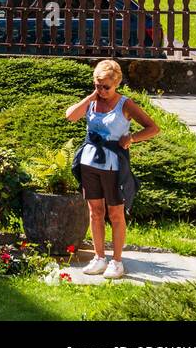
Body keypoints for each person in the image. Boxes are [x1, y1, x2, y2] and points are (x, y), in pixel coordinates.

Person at [64, 59, 159, 279]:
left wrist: (132, 138)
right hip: (89, 162)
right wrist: (91, 97)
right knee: (95, 211)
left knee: (115, 213)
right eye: (98, 85)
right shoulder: (93, 100)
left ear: (116, 83)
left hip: (113, 164)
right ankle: (99, 258)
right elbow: (70, 116)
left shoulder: (125, 104)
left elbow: (153, 128)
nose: (102, 90)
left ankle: (117, 261)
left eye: (106, 86)